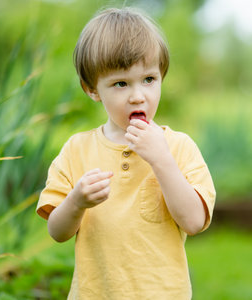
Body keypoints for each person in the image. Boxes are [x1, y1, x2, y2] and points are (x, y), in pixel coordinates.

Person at [36, 7, 215, 299]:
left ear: (161, 77)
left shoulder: (179, 147)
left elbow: (194, 222)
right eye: (121, 83)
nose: (137, 95)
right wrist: (77, 202)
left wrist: (161, 159)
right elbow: (57, 231)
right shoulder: (76, 150)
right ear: (92, 89)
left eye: (148, 79)